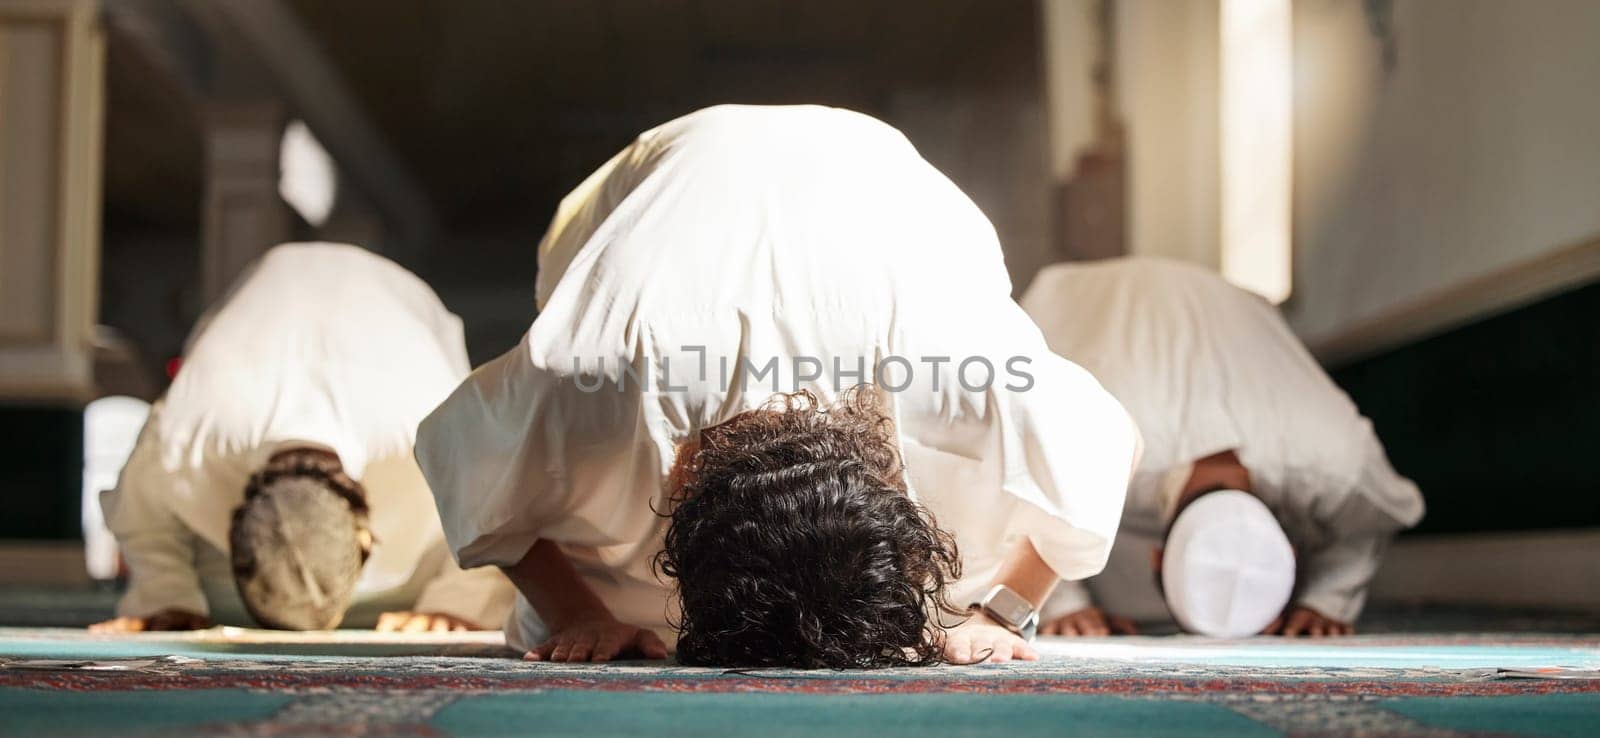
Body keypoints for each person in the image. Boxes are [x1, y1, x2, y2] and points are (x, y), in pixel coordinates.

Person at [415, 105, 1141, 668]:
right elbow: (458, 451)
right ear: (681, 473)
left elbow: (1112, 446)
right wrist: (578, 612)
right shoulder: (588, 369)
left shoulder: (956, 360)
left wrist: (1001, 612)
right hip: (651, 179)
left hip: (885, 181)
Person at [92, 243, 514, 633]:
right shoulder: (181, 438)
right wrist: (166, 598)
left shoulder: (435, 421)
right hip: (260, 302)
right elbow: (139, 513)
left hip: (399, 299)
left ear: (367, 537)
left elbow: (502, 502)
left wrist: (456, 606)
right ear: (235, 519)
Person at [1020, 257, 1424, 638]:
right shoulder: (1097, 438)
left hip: (1227, 304)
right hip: (1084, 297)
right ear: (1157, 557)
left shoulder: (1339, 460)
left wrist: (1324, 602)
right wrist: (1060, 604)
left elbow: (1371, 521)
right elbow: (1016, 484)